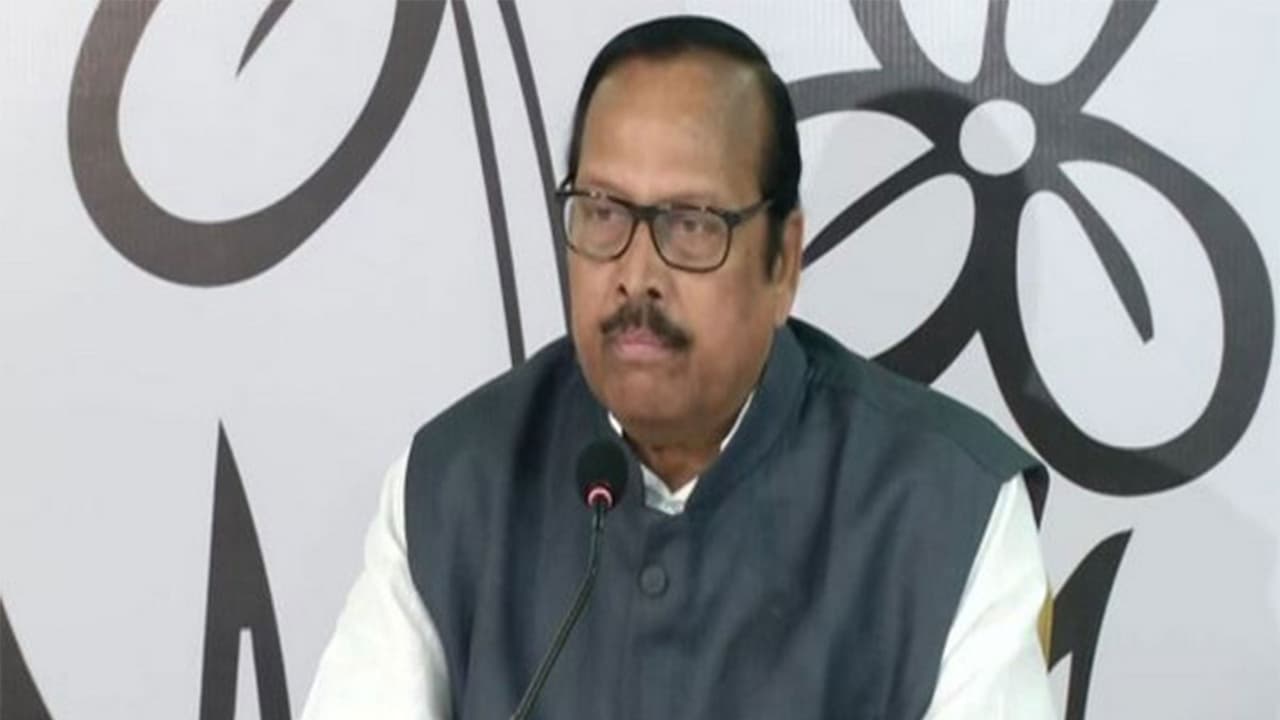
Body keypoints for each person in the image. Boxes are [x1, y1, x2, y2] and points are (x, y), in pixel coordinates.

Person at [302, 15, 1055, 720]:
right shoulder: (455, 485)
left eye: (690, 224)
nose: (636, 276)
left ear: (783, 261)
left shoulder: (946, 510)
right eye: (603, 213)